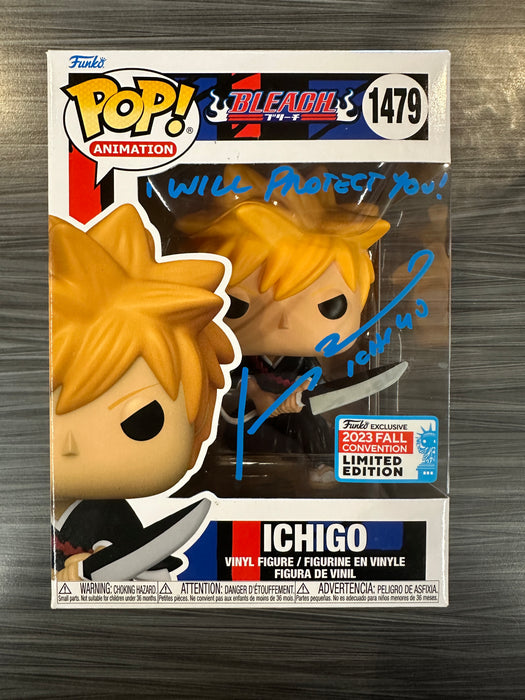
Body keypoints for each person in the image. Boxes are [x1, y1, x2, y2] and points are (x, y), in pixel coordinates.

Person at [50, 204, 236, 579]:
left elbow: (156, 576)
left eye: (142, 421)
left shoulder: (107, 515)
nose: (68, 444)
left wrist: (91, 576)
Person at [177, 165, 390, 456]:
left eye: (330, 306)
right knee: (243, 442)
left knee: (312, 432)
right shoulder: (232, 359)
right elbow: (225, 385)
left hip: (297, 418)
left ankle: (318, 464)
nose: (285, 321)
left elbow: (312, 380)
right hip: (245, 426)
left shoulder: (302, 360)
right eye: (237, 305)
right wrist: (258, 396)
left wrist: (297, 394)